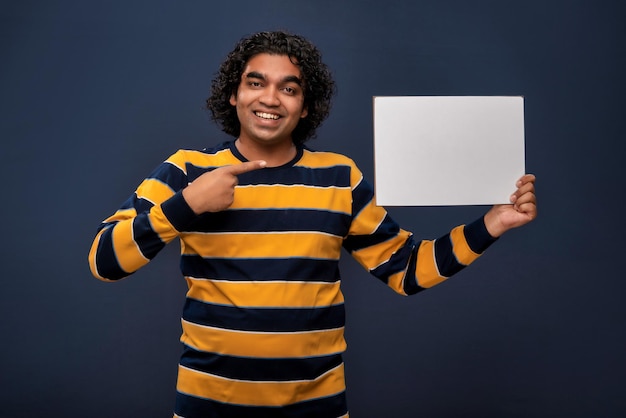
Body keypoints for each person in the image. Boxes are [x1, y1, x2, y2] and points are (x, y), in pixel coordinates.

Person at [88, 30, 537, 418]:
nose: (269, 98)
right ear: (233, 93)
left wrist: (493, 223)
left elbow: (406, 270)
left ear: (305, 106)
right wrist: (186, 205)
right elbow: (104, 260)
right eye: (255, 83)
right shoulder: (187, 171)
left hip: (316, 406)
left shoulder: (340, 176)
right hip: (207, 405)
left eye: (289, 88)